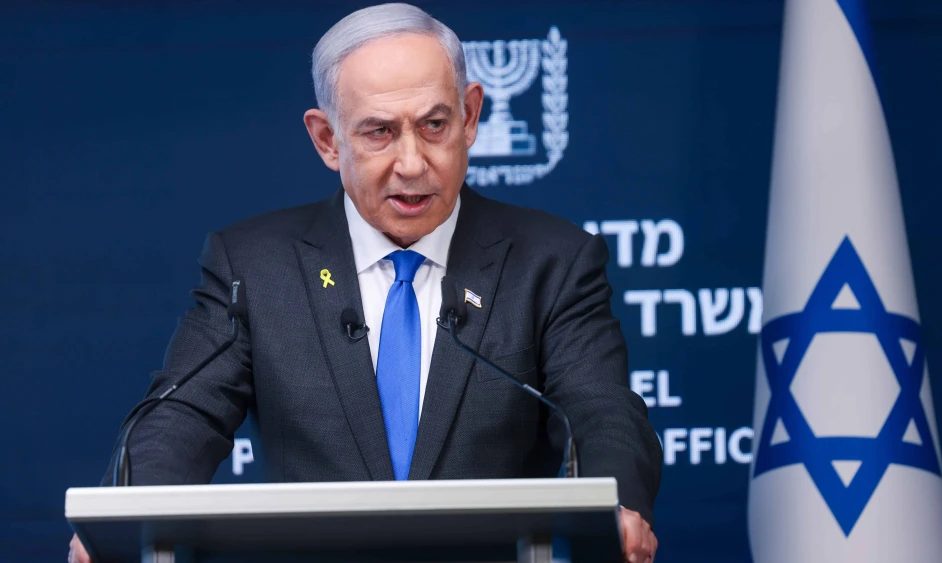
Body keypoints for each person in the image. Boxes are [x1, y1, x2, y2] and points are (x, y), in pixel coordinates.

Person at [69, 3, 662, 562]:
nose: (412, 162)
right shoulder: (253, 265)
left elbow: (601, 411)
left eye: (434, 124)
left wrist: (619, 504)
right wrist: (126, 520)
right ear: (327, 139)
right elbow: (183, 417)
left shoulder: (553, 261)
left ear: (470, 116)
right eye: (379, 132)